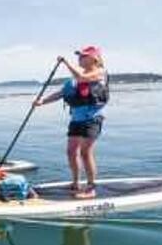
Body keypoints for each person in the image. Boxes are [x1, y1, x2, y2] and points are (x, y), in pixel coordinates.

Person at [32, 45, 109, 198]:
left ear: (94, 58)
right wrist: (42, 101)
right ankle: (75, 183)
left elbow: (84, 78)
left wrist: (66, 63)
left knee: (85, 152)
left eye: (83, 56)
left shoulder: (100, 72)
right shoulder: (73, 79)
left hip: (92, 119)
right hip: (76, 119)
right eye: (79, 56)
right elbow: (61, 93)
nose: (79, 58)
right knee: (71, 152)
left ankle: (91, 187)